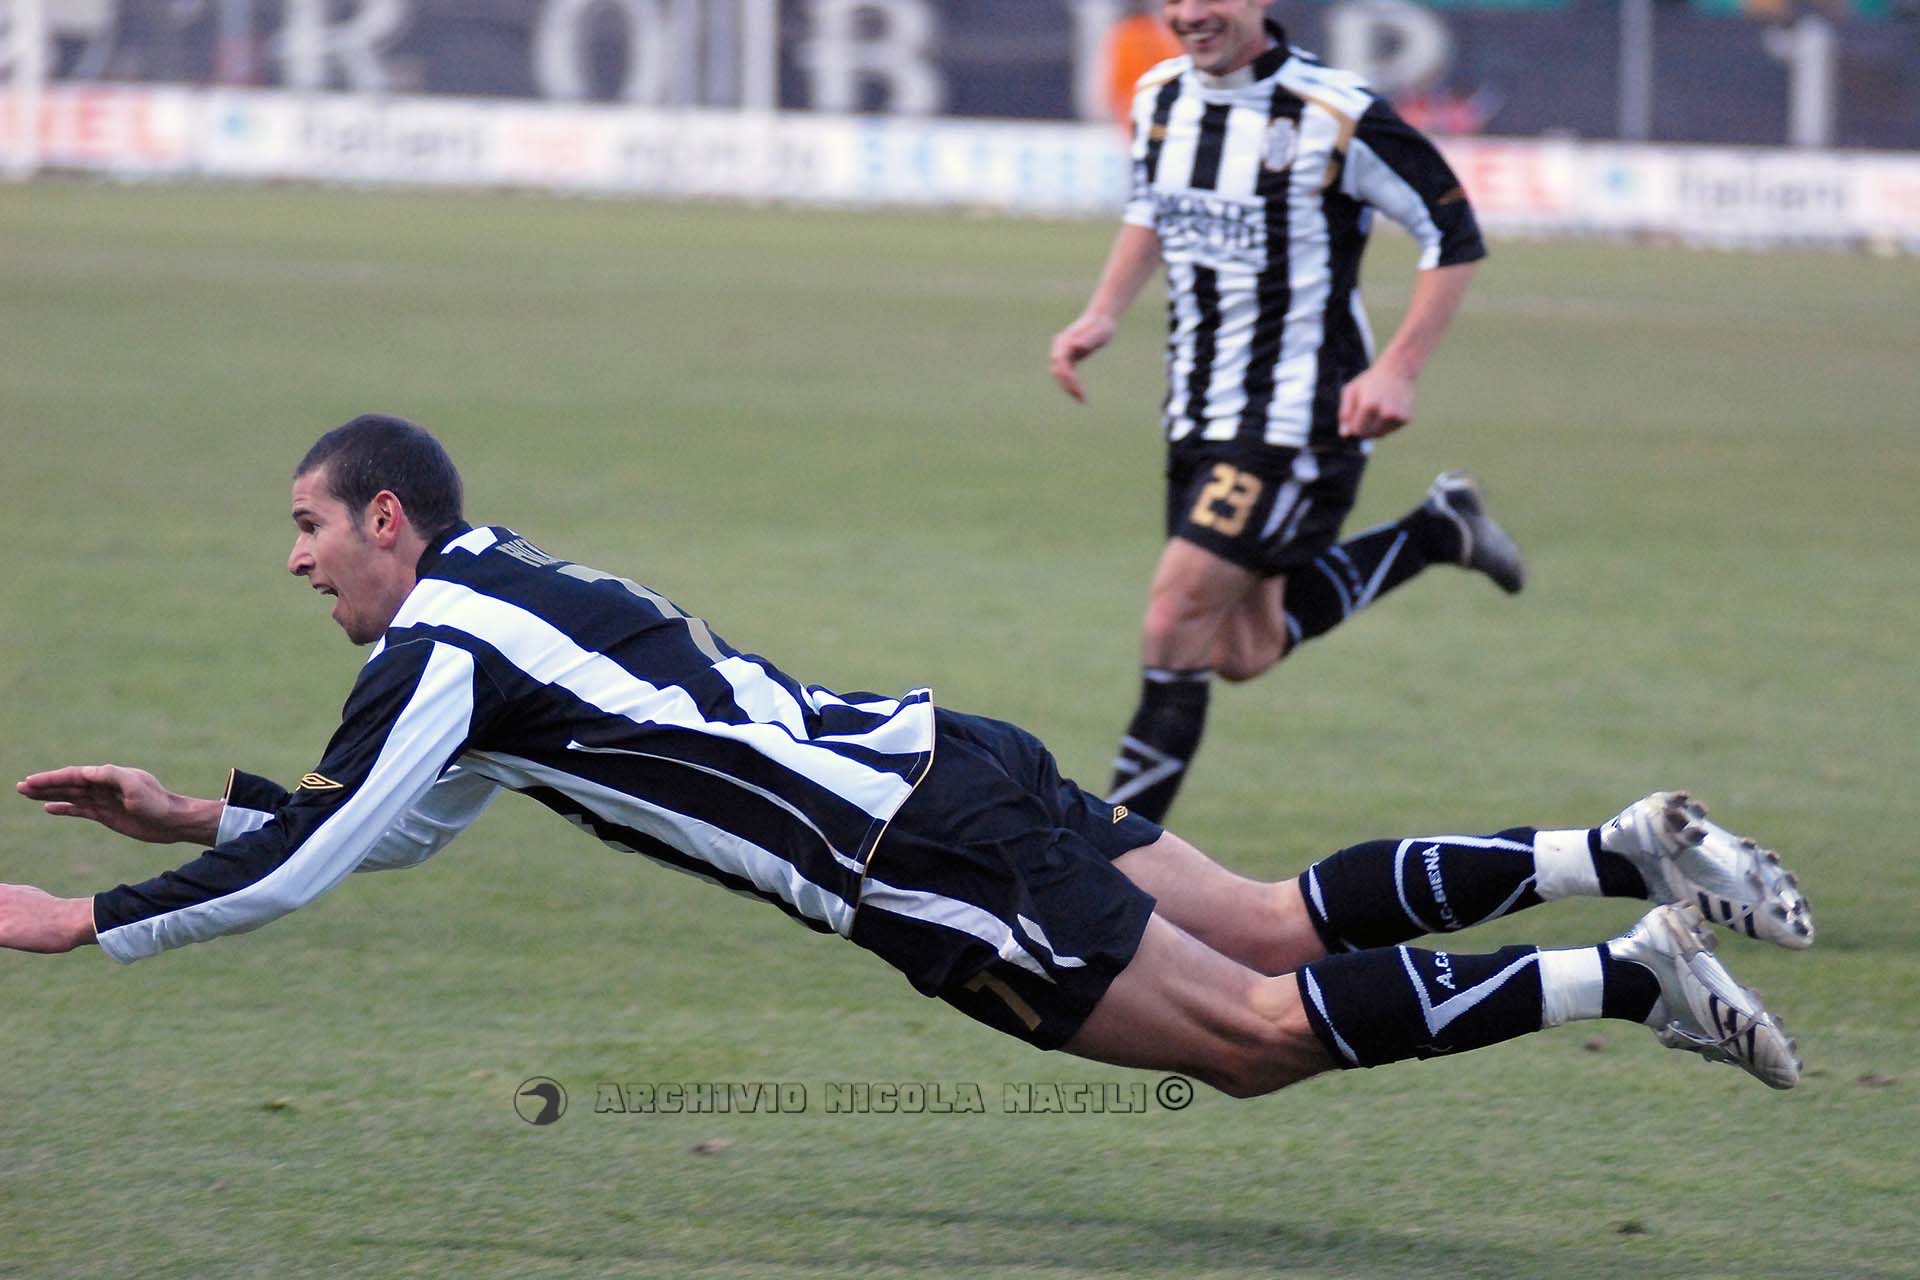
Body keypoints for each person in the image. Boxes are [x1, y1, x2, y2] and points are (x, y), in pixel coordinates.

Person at [5, 416, 1814, 1098]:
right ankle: (1615, 849)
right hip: (948, 752)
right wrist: (196, 811)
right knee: (1271, 924)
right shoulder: (511, 592)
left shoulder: (437, 651)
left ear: (387, 518)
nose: (298, 559)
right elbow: (401, 824)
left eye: (309, 525)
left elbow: (318, 869)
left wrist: (91, 919)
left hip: (912, 858)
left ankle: (1629, 973)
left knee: (1259, 1041)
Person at [1050, 0, 1524, 823]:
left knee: (1173, 621)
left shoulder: (1334, 113)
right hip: (1197, 409)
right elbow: (1151, 209)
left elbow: (1452, 231)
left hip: (1299, 415)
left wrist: (1398, 369)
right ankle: (1435, 532)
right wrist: (1102, 312)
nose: (1190, 14)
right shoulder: (1160, 96)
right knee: (1242, 648)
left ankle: (1108, 861)